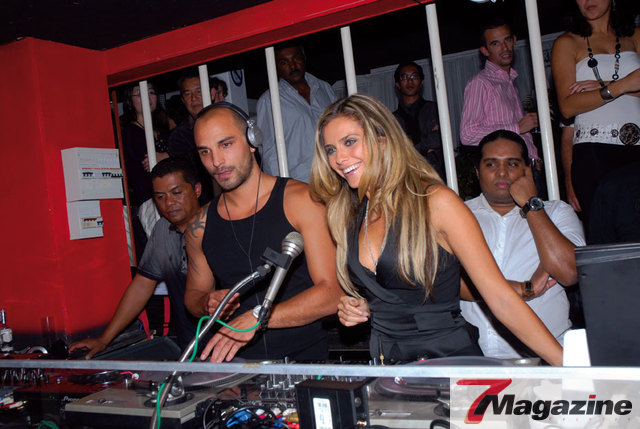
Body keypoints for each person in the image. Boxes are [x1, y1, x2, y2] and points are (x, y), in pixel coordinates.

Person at [310, 94, 562, 365]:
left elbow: (502, 300)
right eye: (330, 149)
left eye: (350, 142)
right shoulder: (348, 215)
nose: (339, 158)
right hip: (388, 367)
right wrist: (363, 306)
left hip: (448, 364)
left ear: (383, 140)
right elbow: (394, 294)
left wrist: (571, 367)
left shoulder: (436, 203)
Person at [185, 102, 343, 363]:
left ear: (252, 140)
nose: (216, 161)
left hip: (304, 362)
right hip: (235, 366)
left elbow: (333, 293)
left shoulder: (301, 201)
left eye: (226, 144)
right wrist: (206, 303)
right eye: (205, 151)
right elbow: (193, 295)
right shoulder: (198, 225)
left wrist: (258, 317)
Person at [460, 130, 585, 359]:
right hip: (471, 359)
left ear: (527, 169)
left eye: (512, 163)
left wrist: (531, 204)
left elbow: (569, 272)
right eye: (491, 164)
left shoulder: (556, 213)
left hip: (547, 357)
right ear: (477, 171)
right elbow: (444, 283)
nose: (502, 172)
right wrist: (525, 288)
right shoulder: (458, 215)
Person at [69, 158, 202, 358]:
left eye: (177, 193)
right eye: (160, 196)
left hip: (232, 345)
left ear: (197, 190)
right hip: (192, 348)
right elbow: (142, 286)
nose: (169, 203)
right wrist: (104, 340)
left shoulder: (218, 225)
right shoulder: (162, 231)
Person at [551, 0, 640, 231]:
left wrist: (603, 86)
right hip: (593, 152)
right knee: (604, 234)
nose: (589, 1)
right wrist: (620, 86)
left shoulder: (636, 36)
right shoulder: (566, 43)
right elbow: (567, 107)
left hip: (637, 150)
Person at [460, 18, 540, 162]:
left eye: (507, 40)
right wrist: (516, 128)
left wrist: (534, 157)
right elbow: (468, 135)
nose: (504, 48)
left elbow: (523, 133)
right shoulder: (480, 82)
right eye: (495, 43)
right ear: (485, 50)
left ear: (514, 40)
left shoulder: (509, 82)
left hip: (526, 165)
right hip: (506, 167)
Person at [257, 43, 337, 183]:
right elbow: (270, 154)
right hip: (302, 183)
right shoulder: (269, 101)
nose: (293, 66)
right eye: (284, 62)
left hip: (335, 176)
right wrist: (282, 189)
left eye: (296, 58)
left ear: (304, 58)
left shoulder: (324, 89)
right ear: (275, 67)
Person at [168, 73, 215, 204]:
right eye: (188, 94)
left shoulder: (229, 123)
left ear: (211, 93)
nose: (194, 98)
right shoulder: (179, 137)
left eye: (199, 91)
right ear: (183, 100)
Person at [393, 61, 445, 180]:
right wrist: (426, 145)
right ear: (398, 84)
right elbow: (396, 151)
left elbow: (439, 139)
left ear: (421, 82)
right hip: (407, 178)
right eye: (404, 77)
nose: (409, 81)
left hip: (436, 174)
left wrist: (411, 143)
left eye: (414, 76)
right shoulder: (392, 119)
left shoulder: (434, 109)